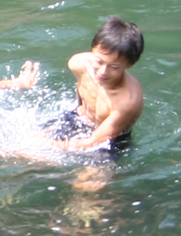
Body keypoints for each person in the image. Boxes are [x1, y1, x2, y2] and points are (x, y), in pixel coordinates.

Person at [46, 17, 145, 190]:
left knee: (86, 188)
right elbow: (81, 94)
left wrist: (59, 146)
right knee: (22, 158)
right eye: (99, 61)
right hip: (77, 118)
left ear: (129, 64)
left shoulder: (127, 99)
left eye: (114, 67)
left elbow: (96, 140)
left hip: (108, 142)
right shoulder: (79, 64)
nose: (103, 71)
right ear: (93, 50)